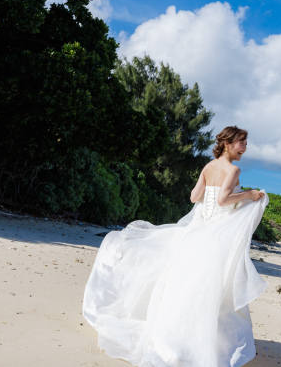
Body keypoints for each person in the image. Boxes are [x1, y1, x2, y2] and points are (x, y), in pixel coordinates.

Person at [83, 126, 267, 367]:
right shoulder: (233, 170)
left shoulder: (208, 167)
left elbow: (193, 197)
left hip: (194, 232)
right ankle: (200, 341)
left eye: (245, 143)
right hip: (213, 236)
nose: (244, 147)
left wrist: (217, 196)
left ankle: (176, 337)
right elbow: (223, 200)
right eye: (241, 142)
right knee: (210, 290)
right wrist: (248, 194)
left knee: (183, 286)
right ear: (227, 143)